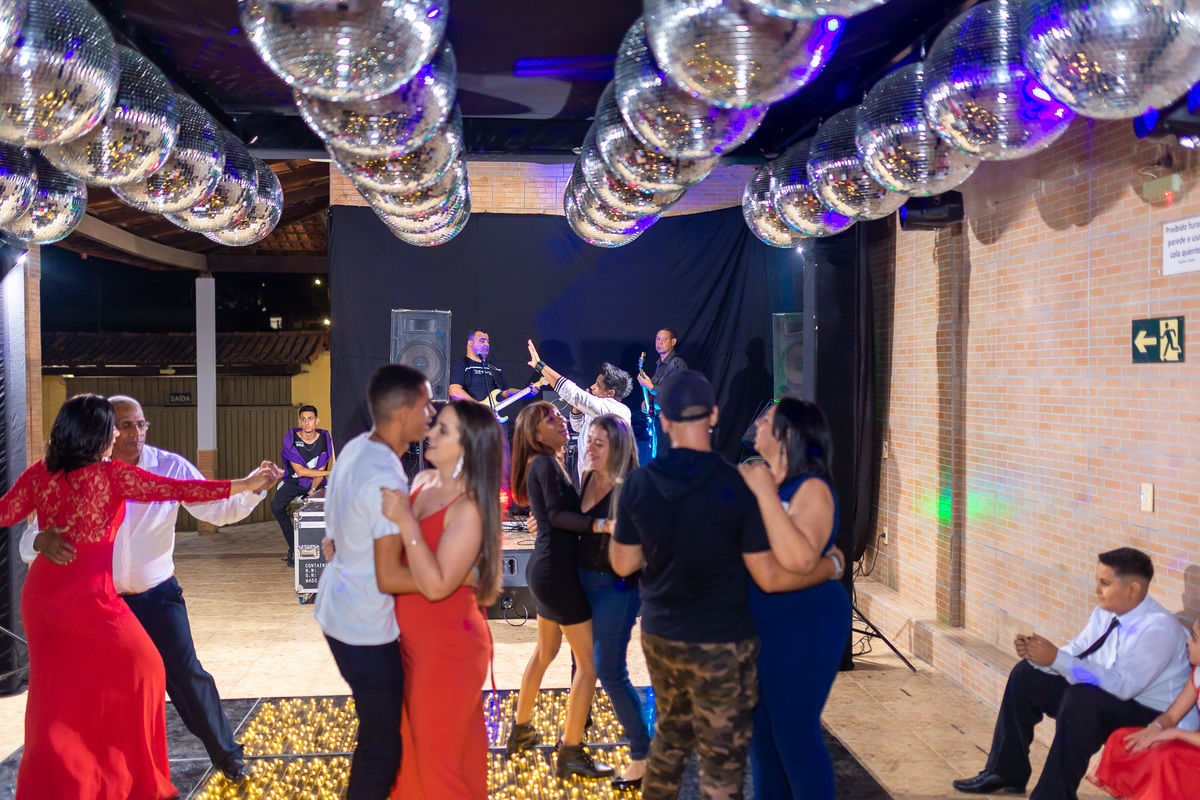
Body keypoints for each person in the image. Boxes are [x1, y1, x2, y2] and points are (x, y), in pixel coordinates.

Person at [0, 394, 277, 800]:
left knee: (141, 678)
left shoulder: (45, 473)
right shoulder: (108, 475)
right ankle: (113, 778)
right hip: (90, 601)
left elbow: (192, 493)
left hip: (107, 596)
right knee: (119, 678)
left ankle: (100, 775)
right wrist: (41, 539)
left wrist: (250, 490)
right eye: (119, 427)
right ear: (97, 432)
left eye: (138, 424)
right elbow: (181, 490)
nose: (127, 433)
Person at [609, 371, 843, 800]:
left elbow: (622, 563)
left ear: (663, 421)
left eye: (768, 420)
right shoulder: (737, 482)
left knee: (675, 739)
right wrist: (831, 565)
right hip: (730, 636)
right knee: (729, 758)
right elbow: (765, 573)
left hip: (679, 632)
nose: (759, 423)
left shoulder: (643, 481)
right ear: (714, 415)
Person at [953, 548, 1196, 799]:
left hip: (1154, 714)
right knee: (1027, 676)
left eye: (1105, 583)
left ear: (1133, 589)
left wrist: (1056, 659)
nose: (1096, 589)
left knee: (1082, 700)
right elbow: (1078, 651)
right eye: (1097, 581)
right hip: (1113, 698)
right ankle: (1004, 772)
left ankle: (1052, 796)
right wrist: (1039, 657)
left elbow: (1124, 687)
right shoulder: (1105, 612)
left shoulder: (1158, 630)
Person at [314, 365, 433, 800]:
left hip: (337, 609)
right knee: (383, 750)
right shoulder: (385, 472)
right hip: (364, 626)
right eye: (426, 405)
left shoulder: (355, 448)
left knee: (374, 736)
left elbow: (336, 535)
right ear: (403, 413)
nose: (432, 412)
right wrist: (453, 575)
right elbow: (388, 575)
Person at [377, 400, 504, 799]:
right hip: (411, 644)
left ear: (468, 446)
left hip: (449, 649)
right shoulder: (421, 483)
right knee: (412, 760)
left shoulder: (469, 508)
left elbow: (435, 586)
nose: (429, 433)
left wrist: (406, 522)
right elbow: (405, 561)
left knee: (438, 766)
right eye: (434, 425)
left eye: (443, 430)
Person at [739, 398, 852, 800]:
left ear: (788, 434)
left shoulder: (812, 488)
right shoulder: (759, 479)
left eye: (767, 418)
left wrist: (764, 493)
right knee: (762, 738)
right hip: (760, 623)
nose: (758, 422)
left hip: (806, 622)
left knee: (794, 732)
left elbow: (799, 560)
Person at [506, 401, 613, 780]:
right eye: (550, 419)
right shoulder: (546, 465)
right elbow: (557, 516)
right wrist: (603, 525)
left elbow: (550, 517)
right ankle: (570, 752)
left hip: (545, 569)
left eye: (559, 414)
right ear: (535, 435)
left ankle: (521, 731)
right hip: (556, 573)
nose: (562, 419)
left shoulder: (546, 462)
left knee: (546, 652)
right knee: (588, 664)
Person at [576, 414, 651, 790]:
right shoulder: (588, 477)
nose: (589, 447)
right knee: (580, 663)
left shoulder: (633, 486)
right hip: (581, 582)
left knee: (609, 670)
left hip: (616, 589)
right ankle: (575, 739)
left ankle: (642, 754)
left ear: (618, 448)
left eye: (598, 443)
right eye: (589, 440)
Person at [1091, 616, 1200, 799]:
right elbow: (1172, 716)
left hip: (1194, 744)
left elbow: (1175, 730)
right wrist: (1154, 729)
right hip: (1193, 742)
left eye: (1194, 638)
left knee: (1164, 757)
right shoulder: (1197, 673)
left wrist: (1174, 733)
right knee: (1123, 739)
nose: (1187, 641)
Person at [526, 339, 633, 482]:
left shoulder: (617, 409)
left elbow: (572, 393)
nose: (593, 387)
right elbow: (578, 427)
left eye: (598, 385)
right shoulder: (599, 410)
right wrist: (578, 406)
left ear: (611, 393)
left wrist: (541, 366)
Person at [272, 404, 335, 567]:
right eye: (303, 419)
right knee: (276, 506)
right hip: (294, 481)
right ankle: (294, 548)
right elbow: (300, 472)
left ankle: (325, 551)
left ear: (316, 421)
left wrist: (312, 491)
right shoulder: (291, 439)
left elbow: (320, 471)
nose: (307, 422)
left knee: (329, 508)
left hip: (316, 481)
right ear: (299, 422)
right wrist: (332, 472)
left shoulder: (324, 439)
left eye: (310, 419)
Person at [449, 329, 520, 409]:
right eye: (482, 341)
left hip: (493, 415)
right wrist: (478, 407)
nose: (487, 345)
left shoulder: (494, 367)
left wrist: (525, 392)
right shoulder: (462, 364)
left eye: (487, 341)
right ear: (470, 343)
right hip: (473, 414)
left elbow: (505, 392)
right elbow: (454, 391)